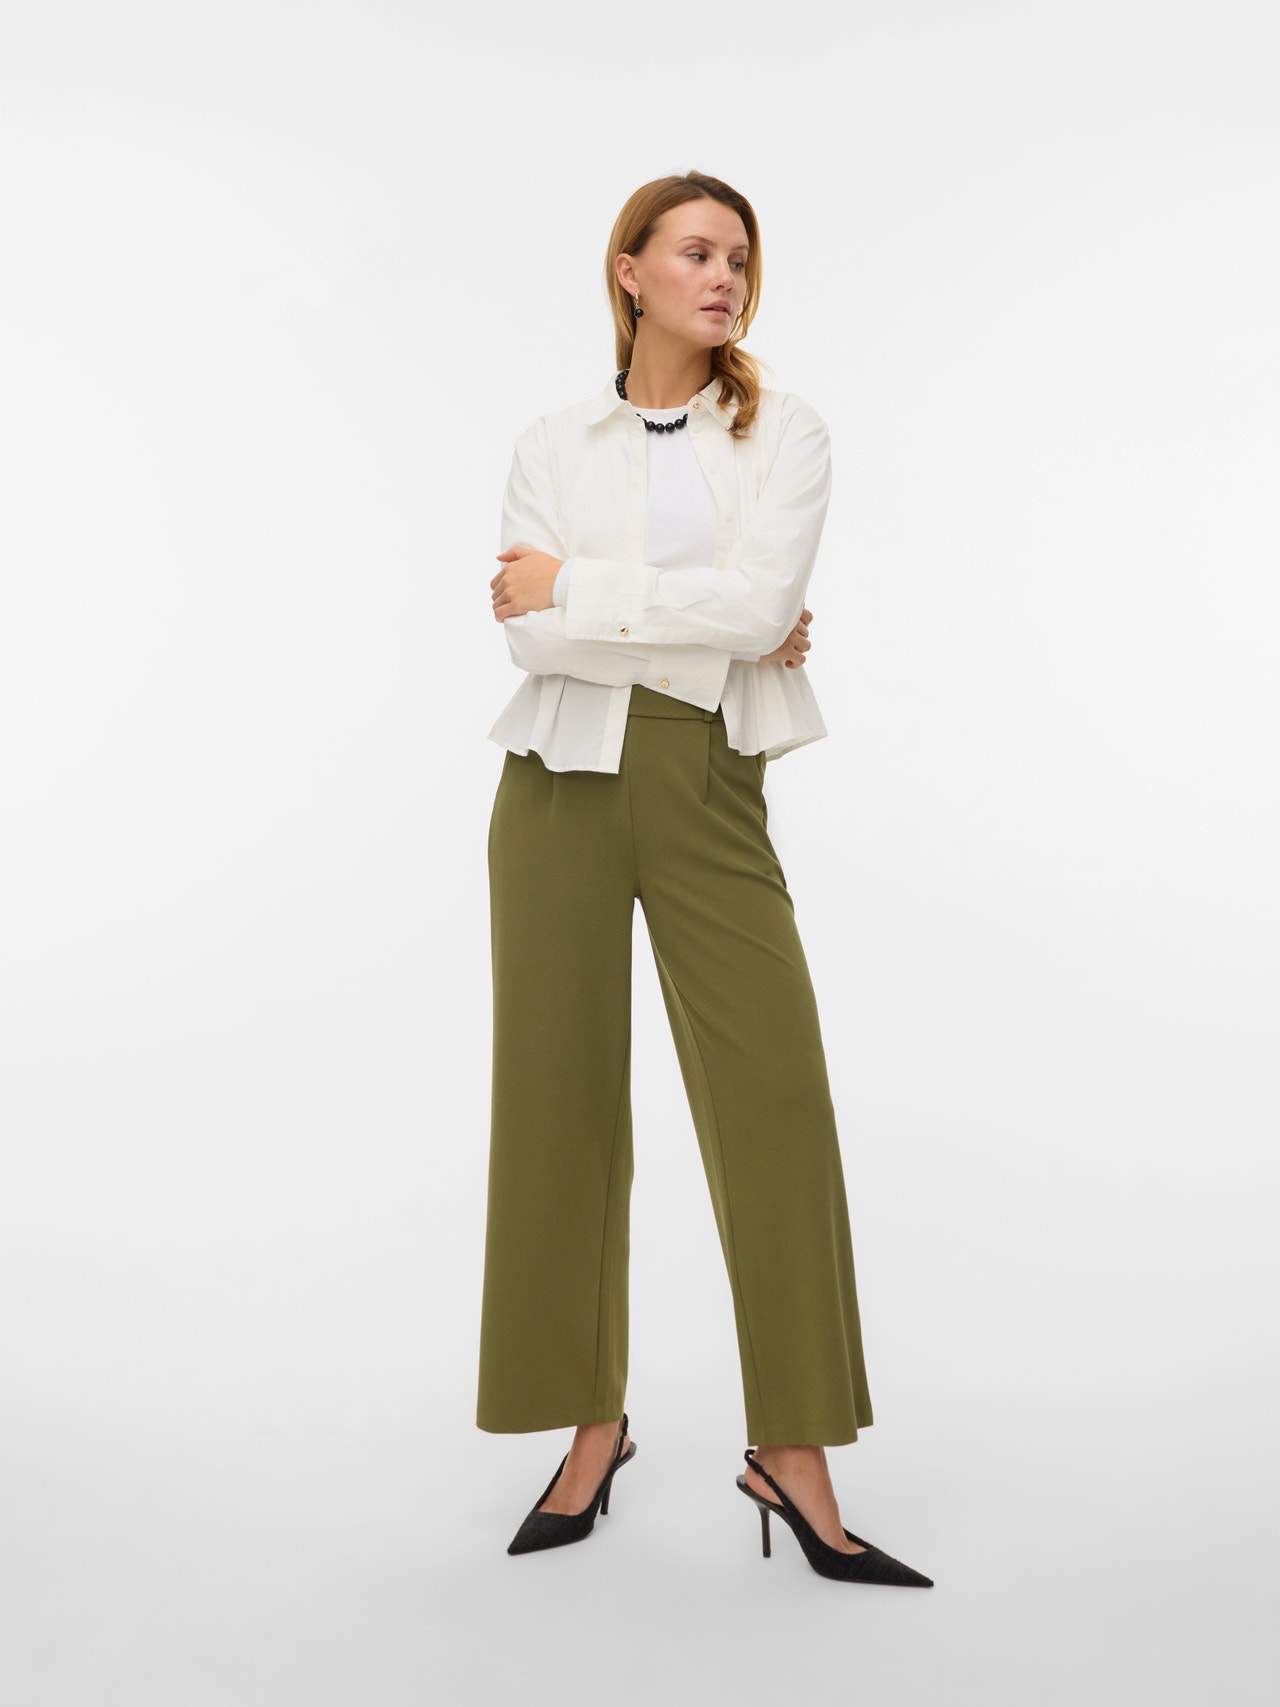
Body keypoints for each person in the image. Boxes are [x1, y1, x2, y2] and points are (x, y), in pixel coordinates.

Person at [477, 170, 933, 1588]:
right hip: (556, 784)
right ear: (630, 271)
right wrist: (708, 622)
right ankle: (589, 1428)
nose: (725, 275)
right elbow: (529, 641)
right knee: (557, 1109)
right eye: (695, 251)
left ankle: (793, 1452)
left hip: (709, 780)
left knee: (776, 1103)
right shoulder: (553, 439)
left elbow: (760, 607)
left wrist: (585, 587)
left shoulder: (783, 430)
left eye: (740, 256)